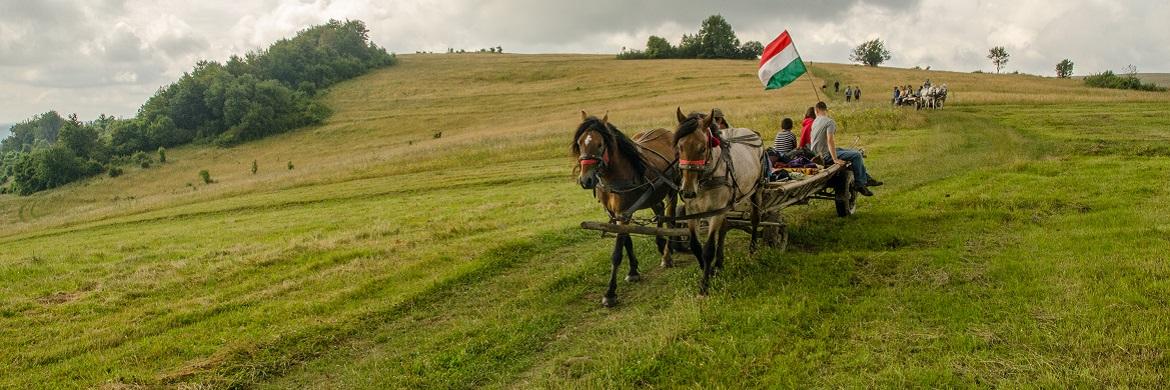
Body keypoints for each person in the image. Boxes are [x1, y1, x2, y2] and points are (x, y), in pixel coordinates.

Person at [809, 101, 882, 196]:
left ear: (816, 110)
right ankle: (860, 184)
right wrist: (835, 159)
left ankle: (867, 178)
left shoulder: (815, 121)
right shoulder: (829, 122)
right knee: (857, 155)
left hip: (817, 153)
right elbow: (830, 140)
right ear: (826, 110)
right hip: (825, 155)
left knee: (853, 151)